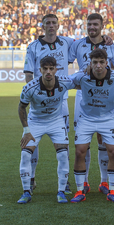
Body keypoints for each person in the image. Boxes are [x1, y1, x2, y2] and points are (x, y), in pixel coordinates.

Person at [69, 13, 114, 195]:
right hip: (82, 96)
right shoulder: (77, 44)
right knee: (83, 142)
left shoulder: (109, 45)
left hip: (103, 95)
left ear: (102, 25)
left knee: (103, 140)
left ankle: (104, 182)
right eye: (89, 24)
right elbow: (64, 61)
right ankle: (83, 183)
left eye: (95, 24)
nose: (92, 27)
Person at [23, 14, 74, 195]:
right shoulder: (33, 47)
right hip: (39, 102)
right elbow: (29, 75)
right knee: (32, 141)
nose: (51, 26)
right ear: (43, 26)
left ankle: (65, 181)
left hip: (61, 101)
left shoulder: (67, 42)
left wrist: (106, 38)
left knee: (63, 142)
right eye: (48, 23)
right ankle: (31, 178)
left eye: (54, 23)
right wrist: (34, 96)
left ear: (58, 25)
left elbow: (88, 43)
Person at [17, 56, 75, 204]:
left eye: (51, 68)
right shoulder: (30, 87)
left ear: (56, 69)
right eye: (45, 69)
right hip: (35, 122)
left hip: (56, 121)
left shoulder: (64, 82)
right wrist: (26, 130)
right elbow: (21, 107)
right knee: (25, 154)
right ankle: (26, 192)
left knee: (63, 155)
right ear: (40, 70)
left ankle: (61, 192)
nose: (48, 72)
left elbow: (81, 81)